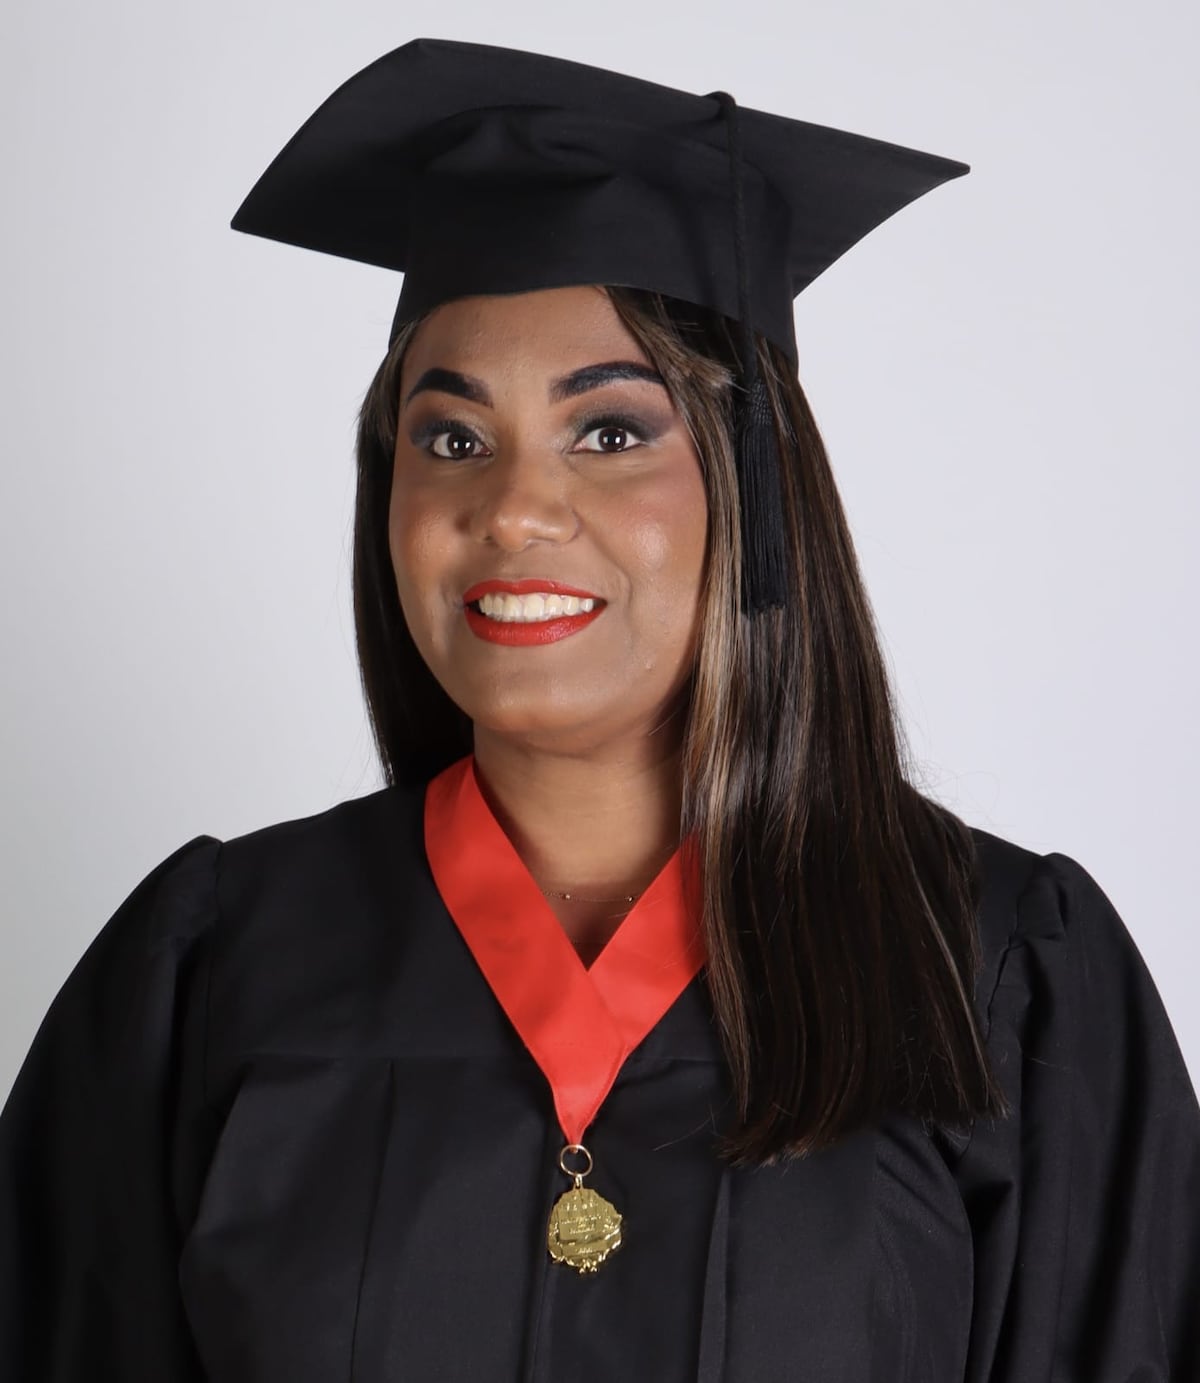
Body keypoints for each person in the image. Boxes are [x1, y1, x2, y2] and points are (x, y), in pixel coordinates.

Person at [1, 35, 1197, 1382]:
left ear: (756, 484)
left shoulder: (999, 978)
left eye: (612, 432)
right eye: (451, 438)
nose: (512, 508)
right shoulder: (211, 971)